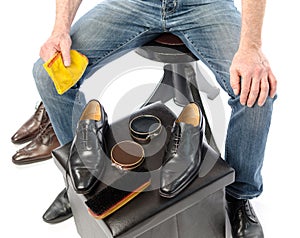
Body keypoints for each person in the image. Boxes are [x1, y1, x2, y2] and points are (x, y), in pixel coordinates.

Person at [33, 0, 277, 237]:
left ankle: (239, 197)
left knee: (258, 94)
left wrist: (250, 47)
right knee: (47, 75)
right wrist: (60, 30)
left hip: (206, 5)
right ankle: (80, 179)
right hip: (136, 3)